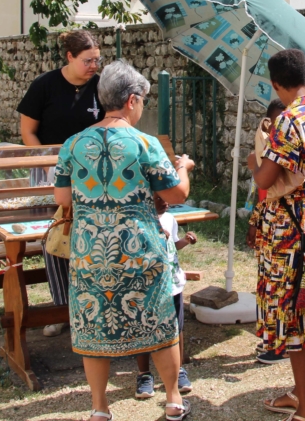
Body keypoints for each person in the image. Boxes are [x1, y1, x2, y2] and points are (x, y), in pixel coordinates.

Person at [54, 60, 195, 421]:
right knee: (159, 323)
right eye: (143, 100)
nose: (142, 106)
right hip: (139, 252)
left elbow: (63, 198)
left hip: (90, 253)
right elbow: (177, 194)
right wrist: (183, 168)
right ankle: (173, 400)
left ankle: (100, 408)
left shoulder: (73, 145)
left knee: (92, 329)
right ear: (132, 100)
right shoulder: (145, 144)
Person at [250, 49, 305, 421]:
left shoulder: (285, 122)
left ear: (275, 84)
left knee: (292, 315)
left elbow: (264, 181)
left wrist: (254, 161)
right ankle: (304, 398)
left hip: (289, 232)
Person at [17, 30, 105, 337]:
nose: (94, 66)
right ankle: (61, 308)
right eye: (87, 60)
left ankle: (93, 303)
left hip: (92, 175)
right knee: (55, 240)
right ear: (69, 57)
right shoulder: (45, 85)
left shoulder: (101, 87)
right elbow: (28, 131)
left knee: (91, 237)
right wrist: (47, 162)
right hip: (49, 171)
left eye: (97, 60)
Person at [136, 195, 198, 400]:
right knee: (145, 328)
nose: (166, 202)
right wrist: (153, 237)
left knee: (177, 328)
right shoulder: (137, 221)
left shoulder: (170, 218)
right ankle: (144, 374)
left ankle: (178, 370)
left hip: (172, 283)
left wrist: (185, 241)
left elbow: (172, 245)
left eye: (167, 198)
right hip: (147, 285)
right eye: (159, 198)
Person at [246, 98, 290, 365]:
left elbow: (266, 183)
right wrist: (254, 222)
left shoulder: (284, 152)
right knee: (267, 284)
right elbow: (262, 195)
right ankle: (269, 338)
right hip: (267, 225)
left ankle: (280, 344)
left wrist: (254, 165)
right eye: (274, 123)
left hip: (284, 228)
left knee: (279, 287)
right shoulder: (266, 150)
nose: (278, 128)